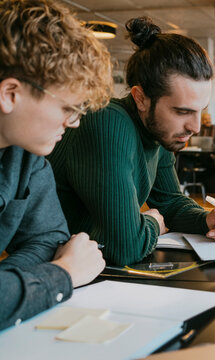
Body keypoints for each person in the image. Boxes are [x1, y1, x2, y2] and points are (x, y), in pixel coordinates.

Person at [48, 17, 215, 266]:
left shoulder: (157, 133)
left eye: (200, 110)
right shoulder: (107, 122)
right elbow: (124, 247)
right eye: (182, 112)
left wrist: (205, 219)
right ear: (141, 98)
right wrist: (152, 224)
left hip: (90, 268)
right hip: (52, 270)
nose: (195, 126)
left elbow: (169, 201)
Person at [0, 0, 111, 330]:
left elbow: (48, 241)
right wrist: (62, 274)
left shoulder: (27, 156)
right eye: (68, 108)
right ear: (10, 94)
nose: (73, 123)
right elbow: (59, 261)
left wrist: (10, 289)